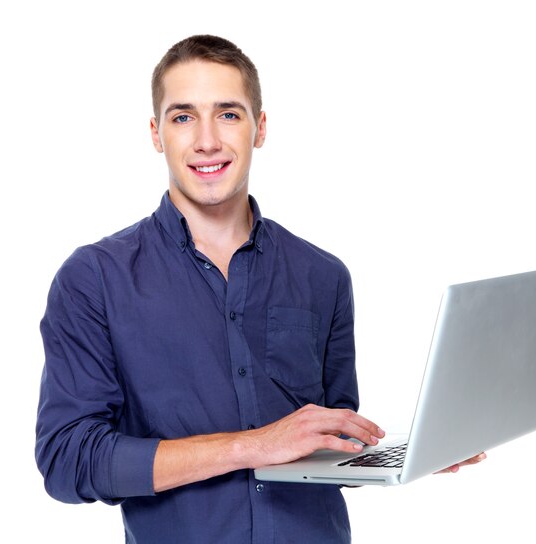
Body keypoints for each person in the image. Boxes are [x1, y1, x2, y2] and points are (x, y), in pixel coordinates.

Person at [35, 34, 484, 543]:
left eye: (228, 114)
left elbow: (324, 446)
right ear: (157, 133)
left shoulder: (324, 275)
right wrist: (251, 446)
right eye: (184, 117)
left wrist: (413, 452)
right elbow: (68, 459)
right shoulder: (95, 279)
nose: (207, 140)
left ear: (260, 127)